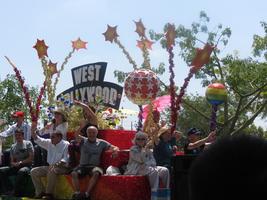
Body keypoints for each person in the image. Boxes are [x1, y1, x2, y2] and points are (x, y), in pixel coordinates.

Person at [188, 134, 267, 200]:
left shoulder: (200, 146)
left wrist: (216, 143)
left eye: (198, 135)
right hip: (193, 174)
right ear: (190, 136)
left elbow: (209, 145)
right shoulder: (188, 145)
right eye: (195, 135)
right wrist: (207, 138)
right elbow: (193, 145)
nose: (197, 136)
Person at [71, 126, 119, 200]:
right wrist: (81, 126)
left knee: (96, 173)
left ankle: (87, 194)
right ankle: (78, 193)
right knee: (74, 173)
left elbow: (114, 147)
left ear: (97, 133)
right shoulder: (83, 140)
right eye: (89, 132)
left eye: (93, 132)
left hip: (94, 166)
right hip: (82, 166)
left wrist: (115, 151)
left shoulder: (102, 143)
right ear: (86, 133)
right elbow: (76, 135)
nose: (91, 134)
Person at [124, 131, 170, 200]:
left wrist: (148, 162)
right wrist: (144, 151)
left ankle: (164, 196)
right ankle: (155, 196)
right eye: (138, 139)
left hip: (148, 167)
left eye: (143, 139)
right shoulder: (133, 149)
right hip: (136, 169)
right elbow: (140, 160)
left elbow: (153, 161)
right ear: (135, 140)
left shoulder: (148, 149)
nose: (140, 141)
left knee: (165, 170)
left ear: (146, 140)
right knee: (153, 172)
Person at [30, 123, 70, 200]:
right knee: (33, 171)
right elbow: (37, 139)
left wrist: (56, 164)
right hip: (50, 167)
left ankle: (49, 194)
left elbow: (66, 159)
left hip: (63, 167)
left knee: (52, 170)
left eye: (53, 137)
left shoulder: (66, 144)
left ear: (59, 137)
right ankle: (40, 192)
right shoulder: (49, 142)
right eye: (51, 137)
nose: (51, 138)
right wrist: (32, 131)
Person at [0, 128, 34, 196]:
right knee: (1, 171)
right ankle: (9, 189)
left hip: (27, 166)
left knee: (21, 171)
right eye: (16, 135)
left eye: (19, 135)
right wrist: (14, 164)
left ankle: (16, 192)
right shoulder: (13, 146)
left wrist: (21, 162)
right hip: (16, 166)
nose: (17, 137)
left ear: (23, 136)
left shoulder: (28, 143)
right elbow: (12, 161)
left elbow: (31, 158)